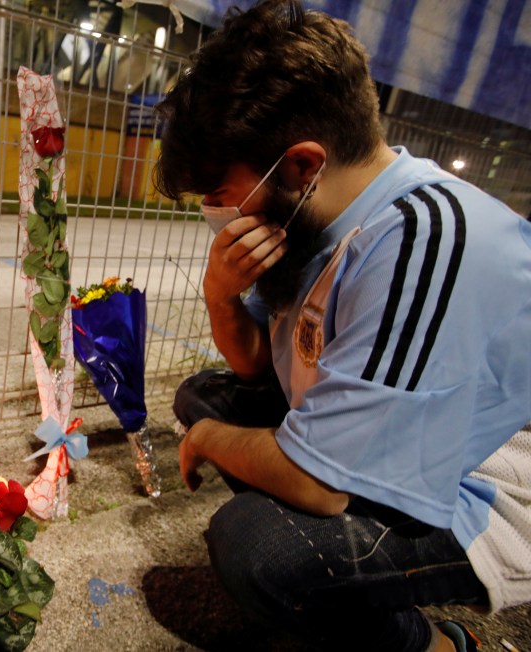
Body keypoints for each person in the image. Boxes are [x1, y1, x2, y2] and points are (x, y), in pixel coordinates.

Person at [155, 2, 531, 651]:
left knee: (259, 549)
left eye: (219, 192)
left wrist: (214, 439)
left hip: (480, 489)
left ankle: (439, 646)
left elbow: (320, 487)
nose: (215, 214)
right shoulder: (312, 222)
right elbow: (250, 371)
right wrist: (221, 295)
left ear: (302, 165)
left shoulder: (420, 239)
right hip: (377, 434)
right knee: (202, 395)